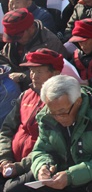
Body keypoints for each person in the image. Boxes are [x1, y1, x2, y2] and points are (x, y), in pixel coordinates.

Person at [0, 49, 62, 191]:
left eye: (39, 72)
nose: (34, 76)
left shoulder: (60, 102)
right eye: (32, 71)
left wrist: (20, 166)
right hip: (10, 161)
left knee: (12, 189)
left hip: (38, 165)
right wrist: (4, 158)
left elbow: (53, 147)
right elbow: (7, 129)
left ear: (55, 74)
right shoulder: (26, 95)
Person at [1, 9, 68, 91]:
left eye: (18, 36)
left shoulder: (50, 42)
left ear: (31, 28)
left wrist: (22, 77)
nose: (17, 40)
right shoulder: (14, 41)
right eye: (13, 38)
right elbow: (4, 57)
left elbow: (53, 71)